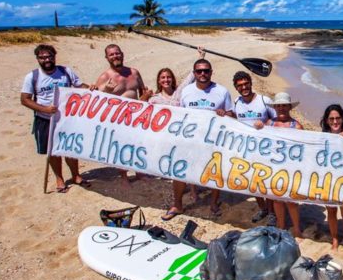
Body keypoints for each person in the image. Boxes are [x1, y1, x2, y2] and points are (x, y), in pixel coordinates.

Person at [163, 55, 234, 220]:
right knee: (179, 172)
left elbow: (232, 114)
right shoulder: (186, 91)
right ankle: (178, 205)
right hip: (189, 140)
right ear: (194, 73)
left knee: (215, 173)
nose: (203, 73)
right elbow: (179, 113)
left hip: (214, 141)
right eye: (199, 71)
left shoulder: (222, 91)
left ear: (211, 72)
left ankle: (214, 203)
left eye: (206, 71)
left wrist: (226, 114)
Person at [20, 44, 91, 193]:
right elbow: (25, 99)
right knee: (52, 151)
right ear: (38, 59)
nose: (46, 59)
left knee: (70, 148)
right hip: (45, 119)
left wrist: (89, 88)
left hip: (66, 118)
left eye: (49, 56)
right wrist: (44, 109)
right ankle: (59, 179)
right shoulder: (32, 77)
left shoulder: (65, 72)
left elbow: (79, 85)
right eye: (43, 57)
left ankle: (76, 176)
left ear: (54, 56)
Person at [94, 44, 153, 187]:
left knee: (138, 145)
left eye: (117, 53)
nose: (115, 56)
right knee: (120, 147)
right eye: (112, 54)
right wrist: (106, 91)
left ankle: (139, 172)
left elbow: (141, 91)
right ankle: (124, 176)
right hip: (117, 119)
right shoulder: (105, 77)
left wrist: (147, 95)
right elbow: (96, 101)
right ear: (107, 58)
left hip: (136, 116)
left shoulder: (134, 73)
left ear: (122, 54)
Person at [231, 71, 277, 224]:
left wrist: (265, 124)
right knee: (252, 182)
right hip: (246, 149)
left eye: (246, 84)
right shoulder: (237, 102)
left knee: (266, 181)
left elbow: (277, 120)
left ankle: (271, 212)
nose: (244, 87)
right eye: (240, 86)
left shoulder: (264, 100)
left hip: (265, 149)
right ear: (236, 88)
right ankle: (262, 208)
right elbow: (232, 118)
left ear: (251, 83)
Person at [265, 92, 303, 238]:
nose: (281, 108)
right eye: (278, 105)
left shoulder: (297, 126)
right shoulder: (269, 124)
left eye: (284, 105)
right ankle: (281, 226)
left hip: (290, 169)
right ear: (275, 107)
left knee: (291, 200)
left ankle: (297, 229)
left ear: (289, 107)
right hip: (273, 168)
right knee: (277, 199)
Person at [320, 104, 343, 253]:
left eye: (337, 118)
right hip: (329, 181)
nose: (335, 122)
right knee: (331, 213)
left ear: (342, 119)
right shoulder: (323, 136)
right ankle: (334, 239)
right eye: (331, 119)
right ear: (327, 121)